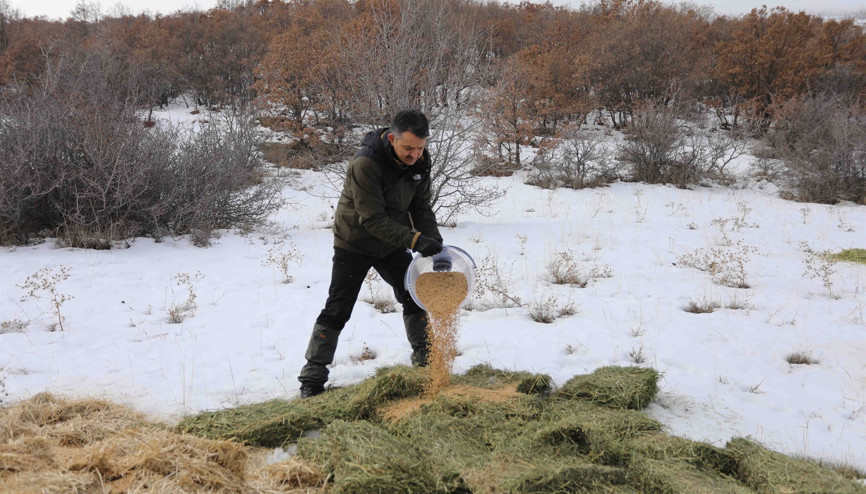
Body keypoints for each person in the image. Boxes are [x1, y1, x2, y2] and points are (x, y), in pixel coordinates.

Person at [298, 110, 444, 399]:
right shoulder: (366, 162)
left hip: (391, 243)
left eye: (420, 148)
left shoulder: (420, 162)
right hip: (355, 241)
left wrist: (435, 244)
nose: (415, 155)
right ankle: (312, 378)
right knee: (338, 307)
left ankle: (427, 364)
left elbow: (421, 207)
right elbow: (372, 220)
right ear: (392, 139)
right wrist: (415, 240)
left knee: (415, 295)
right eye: (408, 148)